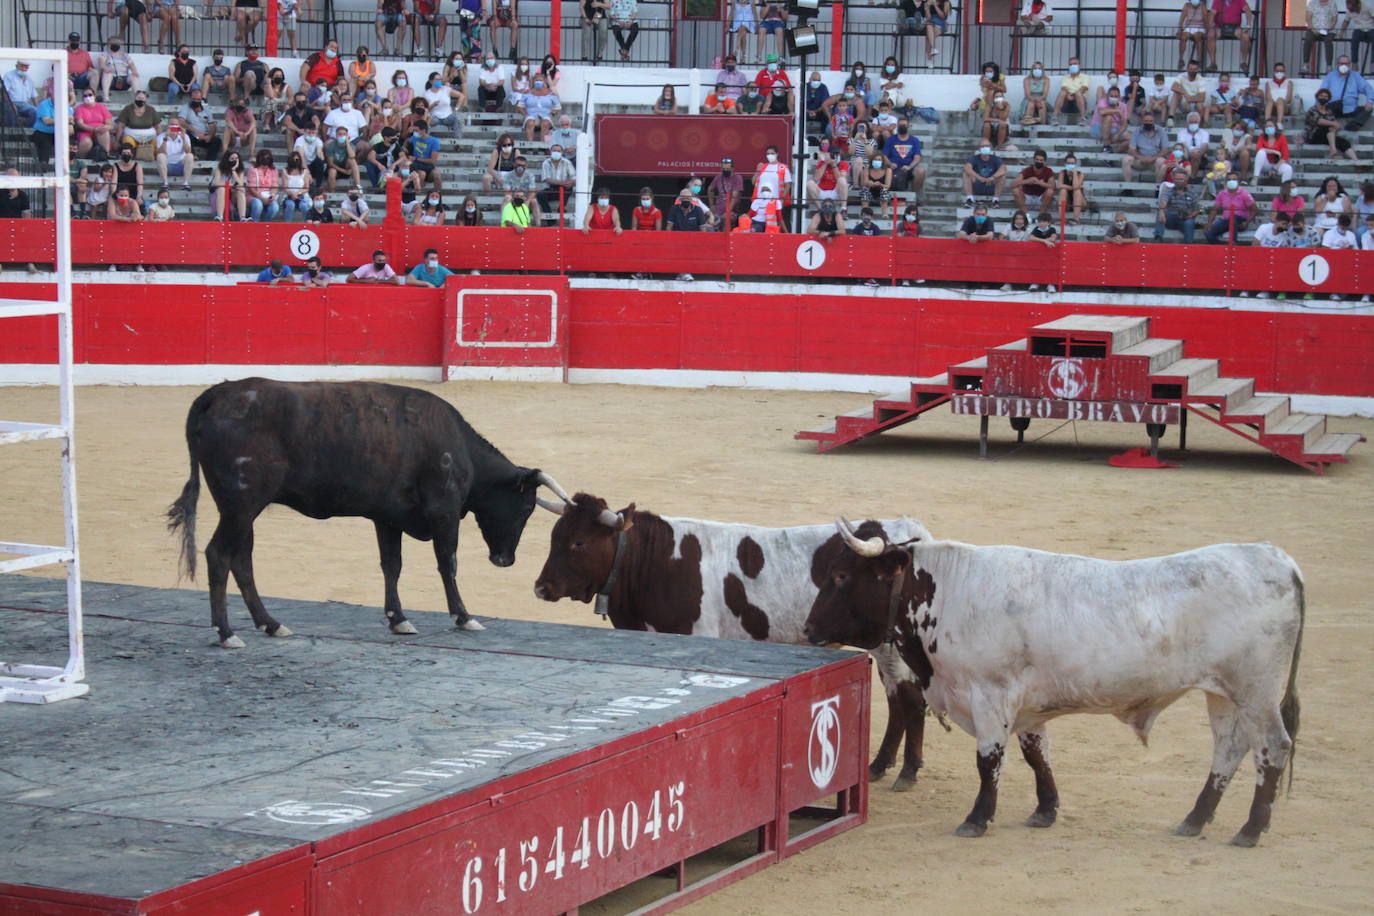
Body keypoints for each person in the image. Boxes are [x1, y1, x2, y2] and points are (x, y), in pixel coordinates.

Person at [1319, 54, 1373, 123]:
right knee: (1324, 111)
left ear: (1350, 65)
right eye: (1341, 63)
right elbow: (1322, 91)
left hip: (1351, 110)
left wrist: (1370, 101)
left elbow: (1368, 89)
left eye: (1346, 64)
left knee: (1368, 109)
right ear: (1337, 64)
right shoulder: (1331, 75)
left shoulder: (1356, 76)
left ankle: (1354, 124)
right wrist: (1318, 107)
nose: (1344, 65)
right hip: (1334, 109)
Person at [1305, 89, 1357, 159]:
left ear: (1328, 99)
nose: (1323, 98)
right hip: (1313, 136)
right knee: (1327, 128)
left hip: (1326, 136)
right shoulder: (1312, 110)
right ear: (1317, 97)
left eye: (1325, 97)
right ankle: (1333, 152)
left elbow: (1336, 126)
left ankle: (1357, 161)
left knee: (1344, 142)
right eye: (1321, 96)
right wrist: (1333, 124)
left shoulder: (1329, 112)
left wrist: (1335, 127)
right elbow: (1319, 121)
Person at [1205, 172, 1255, 242]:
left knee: (1233, 218)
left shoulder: (1244, 194)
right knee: (1208, 233)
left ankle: (1233, 243)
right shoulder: (1222, 194)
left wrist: (1246, 222)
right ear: (1226, 182)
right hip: (1226, 221)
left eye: (1234, 179)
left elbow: (1255, 210)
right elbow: (1214, 210)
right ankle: (1222, 249)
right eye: (1229, 180)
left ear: (1238, 181)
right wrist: (1209, 223)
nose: (1231, 181)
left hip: (1240, 222)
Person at [882, 120, 926, 195]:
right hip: (893, 168)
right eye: (900, 125)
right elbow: (884, 156)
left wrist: (909, 167)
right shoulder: (891, 139)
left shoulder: (914, 140)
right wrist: (890, 164)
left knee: (921, 171)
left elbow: (917, 157)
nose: (902, 127)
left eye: (904, 125)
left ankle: (913, 195)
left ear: (908, 127)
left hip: (908, 169)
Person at [1208, 0, 1253, 72]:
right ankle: (1213, 63)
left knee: (1246, 37)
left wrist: (1248, 26)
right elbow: (1212, 13)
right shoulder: (1218, 1)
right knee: (1210, 35)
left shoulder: (1240, 1)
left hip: (1235, 28)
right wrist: (1210, 26)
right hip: (1220, 27)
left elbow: (1248, 11)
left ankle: (1244, 62)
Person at [1155, 172, 1201, 242]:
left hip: (1185, 219)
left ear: (1185, 181)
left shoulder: (1192, 193)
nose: (1179, 181)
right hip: (1171, 218)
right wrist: (1161, 210)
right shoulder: (1168, 191)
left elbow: (1197, 209)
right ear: (1173, 180)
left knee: (1189, 222)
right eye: (1177, 179)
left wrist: (1189, 216)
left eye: (1181, 179)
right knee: (1161, 212)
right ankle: (1158, 237)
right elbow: (1163, 201)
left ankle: (1189, 245)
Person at [1122, 114, 1168, 186]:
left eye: (1150, 121)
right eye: (1146, 121)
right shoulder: (1137, 131)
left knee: (1161, 161)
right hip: (1140, 160)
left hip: (1155, 160)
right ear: (1142, 122)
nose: (1148, 123)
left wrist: (1153, 158)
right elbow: (1132, 149)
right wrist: (1141, 158)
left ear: (1154, 122)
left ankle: (1158, 188)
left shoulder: (1161, 131)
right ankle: (1128, 187)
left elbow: (1164, 150)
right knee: (1126, 159)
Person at [538, 143, 576, 221]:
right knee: (540, 195)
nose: (556, 152)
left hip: (564, 188)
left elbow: (574, 177)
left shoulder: (567, 162)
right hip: (551, 188)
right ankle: (550, 219)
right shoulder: (546, 163)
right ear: (550, 151)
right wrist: (563, 183)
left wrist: (571, 182)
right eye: (554, 150)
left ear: (562, 152)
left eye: (558, 151)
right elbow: (546, 179)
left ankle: (561, 209)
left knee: (569, 188)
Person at [1304, 0, 1340, 76]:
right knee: (1308, 40)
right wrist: (1313, 29)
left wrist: (1329, 28)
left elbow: (1334, 19)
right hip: (1313, 28)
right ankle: (1306, 64)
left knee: (1328, 42)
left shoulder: (1332, 4)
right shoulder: (1312, 3)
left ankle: (1329, 66)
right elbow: (1308, 18)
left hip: (1327, 30)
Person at [75, 90, 115, 158]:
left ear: (94, 96)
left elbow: (110, 124)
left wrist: (106, 127)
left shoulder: (101, 107)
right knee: (87, 143)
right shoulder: (79, 108)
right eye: (85, 96)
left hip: (100, 130)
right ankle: (81, 159)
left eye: (90, 95)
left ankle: (105, 155)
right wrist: (94, 129)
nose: (88, 97)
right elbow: (80, 124)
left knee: (104, 130)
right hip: (85, 132)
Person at [155, 123, 195, 190]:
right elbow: (159, 152)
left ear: (179, 127)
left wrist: (183, 138)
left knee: (190, 156)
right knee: (160, 156)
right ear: (168, 127)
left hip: (181, 165)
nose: (174, 128)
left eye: (176, 126)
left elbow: (188, 151)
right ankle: (165, 183)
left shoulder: (185, 136)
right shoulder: (161, 136)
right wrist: (165, 139)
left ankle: (185, 183)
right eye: (172, 126)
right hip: (167, 165)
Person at [707, 158, 744, 229]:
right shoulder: (718, 177)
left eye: (727, 168)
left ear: (732, 168)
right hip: (718, 209)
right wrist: (712, 205)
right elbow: (710, 189)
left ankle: (724, 239)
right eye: (724, 168)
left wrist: (727, 212)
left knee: (726, 219)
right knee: (710, 220)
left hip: (732, 210)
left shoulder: (737, 178)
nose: (725, 170)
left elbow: (734, 197)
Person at [1052, 58, 1091, 124]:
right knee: (1062, 93)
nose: (1072, 66)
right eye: (1071, 64)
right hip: (1067, 101)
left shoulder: (1085, 77)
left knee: (1078, 93)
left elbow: (1084, 88)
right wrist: (1067, 95)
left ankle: (1083, 119)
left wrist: (1074, 96)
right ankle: (1054, 118)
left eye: (1075, 64)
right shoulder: (1065, 77)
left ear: (1079, 65)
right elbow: (1064, 88)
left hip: (1079, 102)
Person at [1091, 87, 1131, 152]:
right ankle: (1106, 144)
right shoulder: (1102, 101)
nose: (1113, 98)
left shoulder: (1123, 106)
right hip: (1099, 128)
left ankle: (1113, 152)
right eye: (1111, 96)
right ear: (1107, 96)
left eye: (1116, 96)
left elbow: (1125, 123)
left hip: (1114, 129)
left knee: (1133, 140)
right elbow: (1102, 112)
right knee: (1108, 117)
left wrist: (1117, 135)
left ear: (1119, 97)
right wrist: (1117, 111)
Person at [407, 120, 443, 192]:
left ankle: (438, 193)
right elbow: (407, 141)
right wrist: (405, 148)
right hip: (417, 166)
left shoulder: (434, 141)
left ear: (423, 130)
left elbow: (433, 160)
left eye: (416, 130)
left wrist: (416, 158)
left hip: (428, 166)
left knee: (437, 174)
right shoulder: (414, 138)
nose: (415, 132)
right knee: (422, 174)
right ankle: (419, 194)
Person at [1177, 0, 1211, 71]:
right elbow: (1182, 18)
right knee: (1183, 37)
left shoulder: (1202, 6)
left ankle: (1200, 60)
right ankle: (1181, 59)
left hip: (1200, 27)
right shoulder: (1186, 6)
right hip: (1189, 27)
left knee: (1198, 37)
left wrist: (1207, 31)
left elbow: (1205, 19)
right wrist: (1180, 30)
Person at [1057, 152, 1087, 225]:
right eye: (1068, 163)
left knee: (1077, 191)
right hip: (1067, 201)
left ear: (1075, 164)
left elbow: (1076, 186)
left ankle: (1076, 219)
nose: (1070, 165)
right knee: (1063, 191)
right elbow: (1060, 185)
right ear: (1065, 164)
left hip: (1079, 202)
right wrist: (1072, 187)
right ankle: (1062, 219)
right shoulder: (1062, 173)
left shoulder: (1080, 174)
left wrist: (1074, 174)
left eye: (1072, 163)